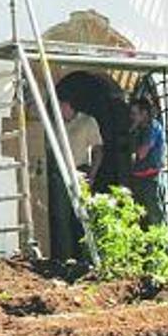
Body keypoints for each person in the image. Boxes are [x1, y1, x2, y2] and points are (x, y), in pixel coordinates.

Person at [47, 93, 103, 260]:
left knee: (83, 217)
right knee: (61, 217)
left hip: (80, 171)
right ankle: (65, 259)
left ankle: (87, 258)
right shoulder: (57, 125)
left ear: (68, 105)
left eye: (60, 105)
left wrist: (92, 175)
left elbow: (98, 149)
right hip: (61, 173)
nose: (58, 109)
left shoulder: (87, 122)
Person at [128, 97, 165, 228]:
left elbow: (142, 152)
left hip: (150, 177)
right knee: (140, 216)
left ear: (144, 113)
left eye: (134, 113)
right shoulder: (137, 129)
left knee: (154, 214)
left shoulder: (152, 127)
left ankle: (161, 246)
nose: (132, 117)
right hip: (137, 178)